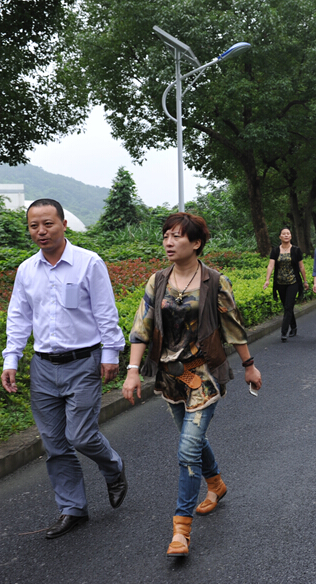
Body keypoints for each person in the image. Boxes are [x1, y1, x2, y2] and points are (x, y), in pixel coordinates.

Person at [122, 212, 262, 558]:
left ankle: (181, 530)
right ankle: (216, 484)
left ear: (196, 243)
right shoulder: (157, 281)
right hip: (171, 377)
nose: (168, 242)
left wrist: (249, 366)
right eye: (166, 236)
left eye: (177, 236)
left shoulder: (215, 281)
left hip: (204, 376)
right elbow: (142, 326)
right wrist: (133, 370)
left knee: (187, 450)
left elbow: (233, 327)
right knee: (193, 440)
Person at [1, 199, 128, 540]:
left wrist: (111, 353)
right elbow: (19, 317)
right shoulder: (26, 270)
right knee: (55, 444)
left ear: (63, 224)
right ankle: (72, 508)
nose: (41, 231)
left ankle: (113, 467)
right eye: (34, 226)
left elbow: (105, 311)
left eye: (48, 224)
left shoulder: (89, 262)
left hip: (83, 362)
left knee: (81, 436)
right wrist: (11, 359)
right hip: (43, 366)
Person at [263, 227, 309, 341]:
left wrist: (305, 281)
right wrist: (267, 280)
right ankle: (294, 327)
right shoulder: (275, 250)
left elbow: (301, 266)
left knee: (288, 306)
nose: (286, 235)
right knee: (287, 306)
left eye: (288, 233)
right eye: (284, 234)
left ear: (291, 236)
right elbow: (271, 265)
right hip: (280, 283)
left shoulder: (296, 250)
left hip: (293, 282)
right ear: (280, 237)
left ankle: (284, 332)